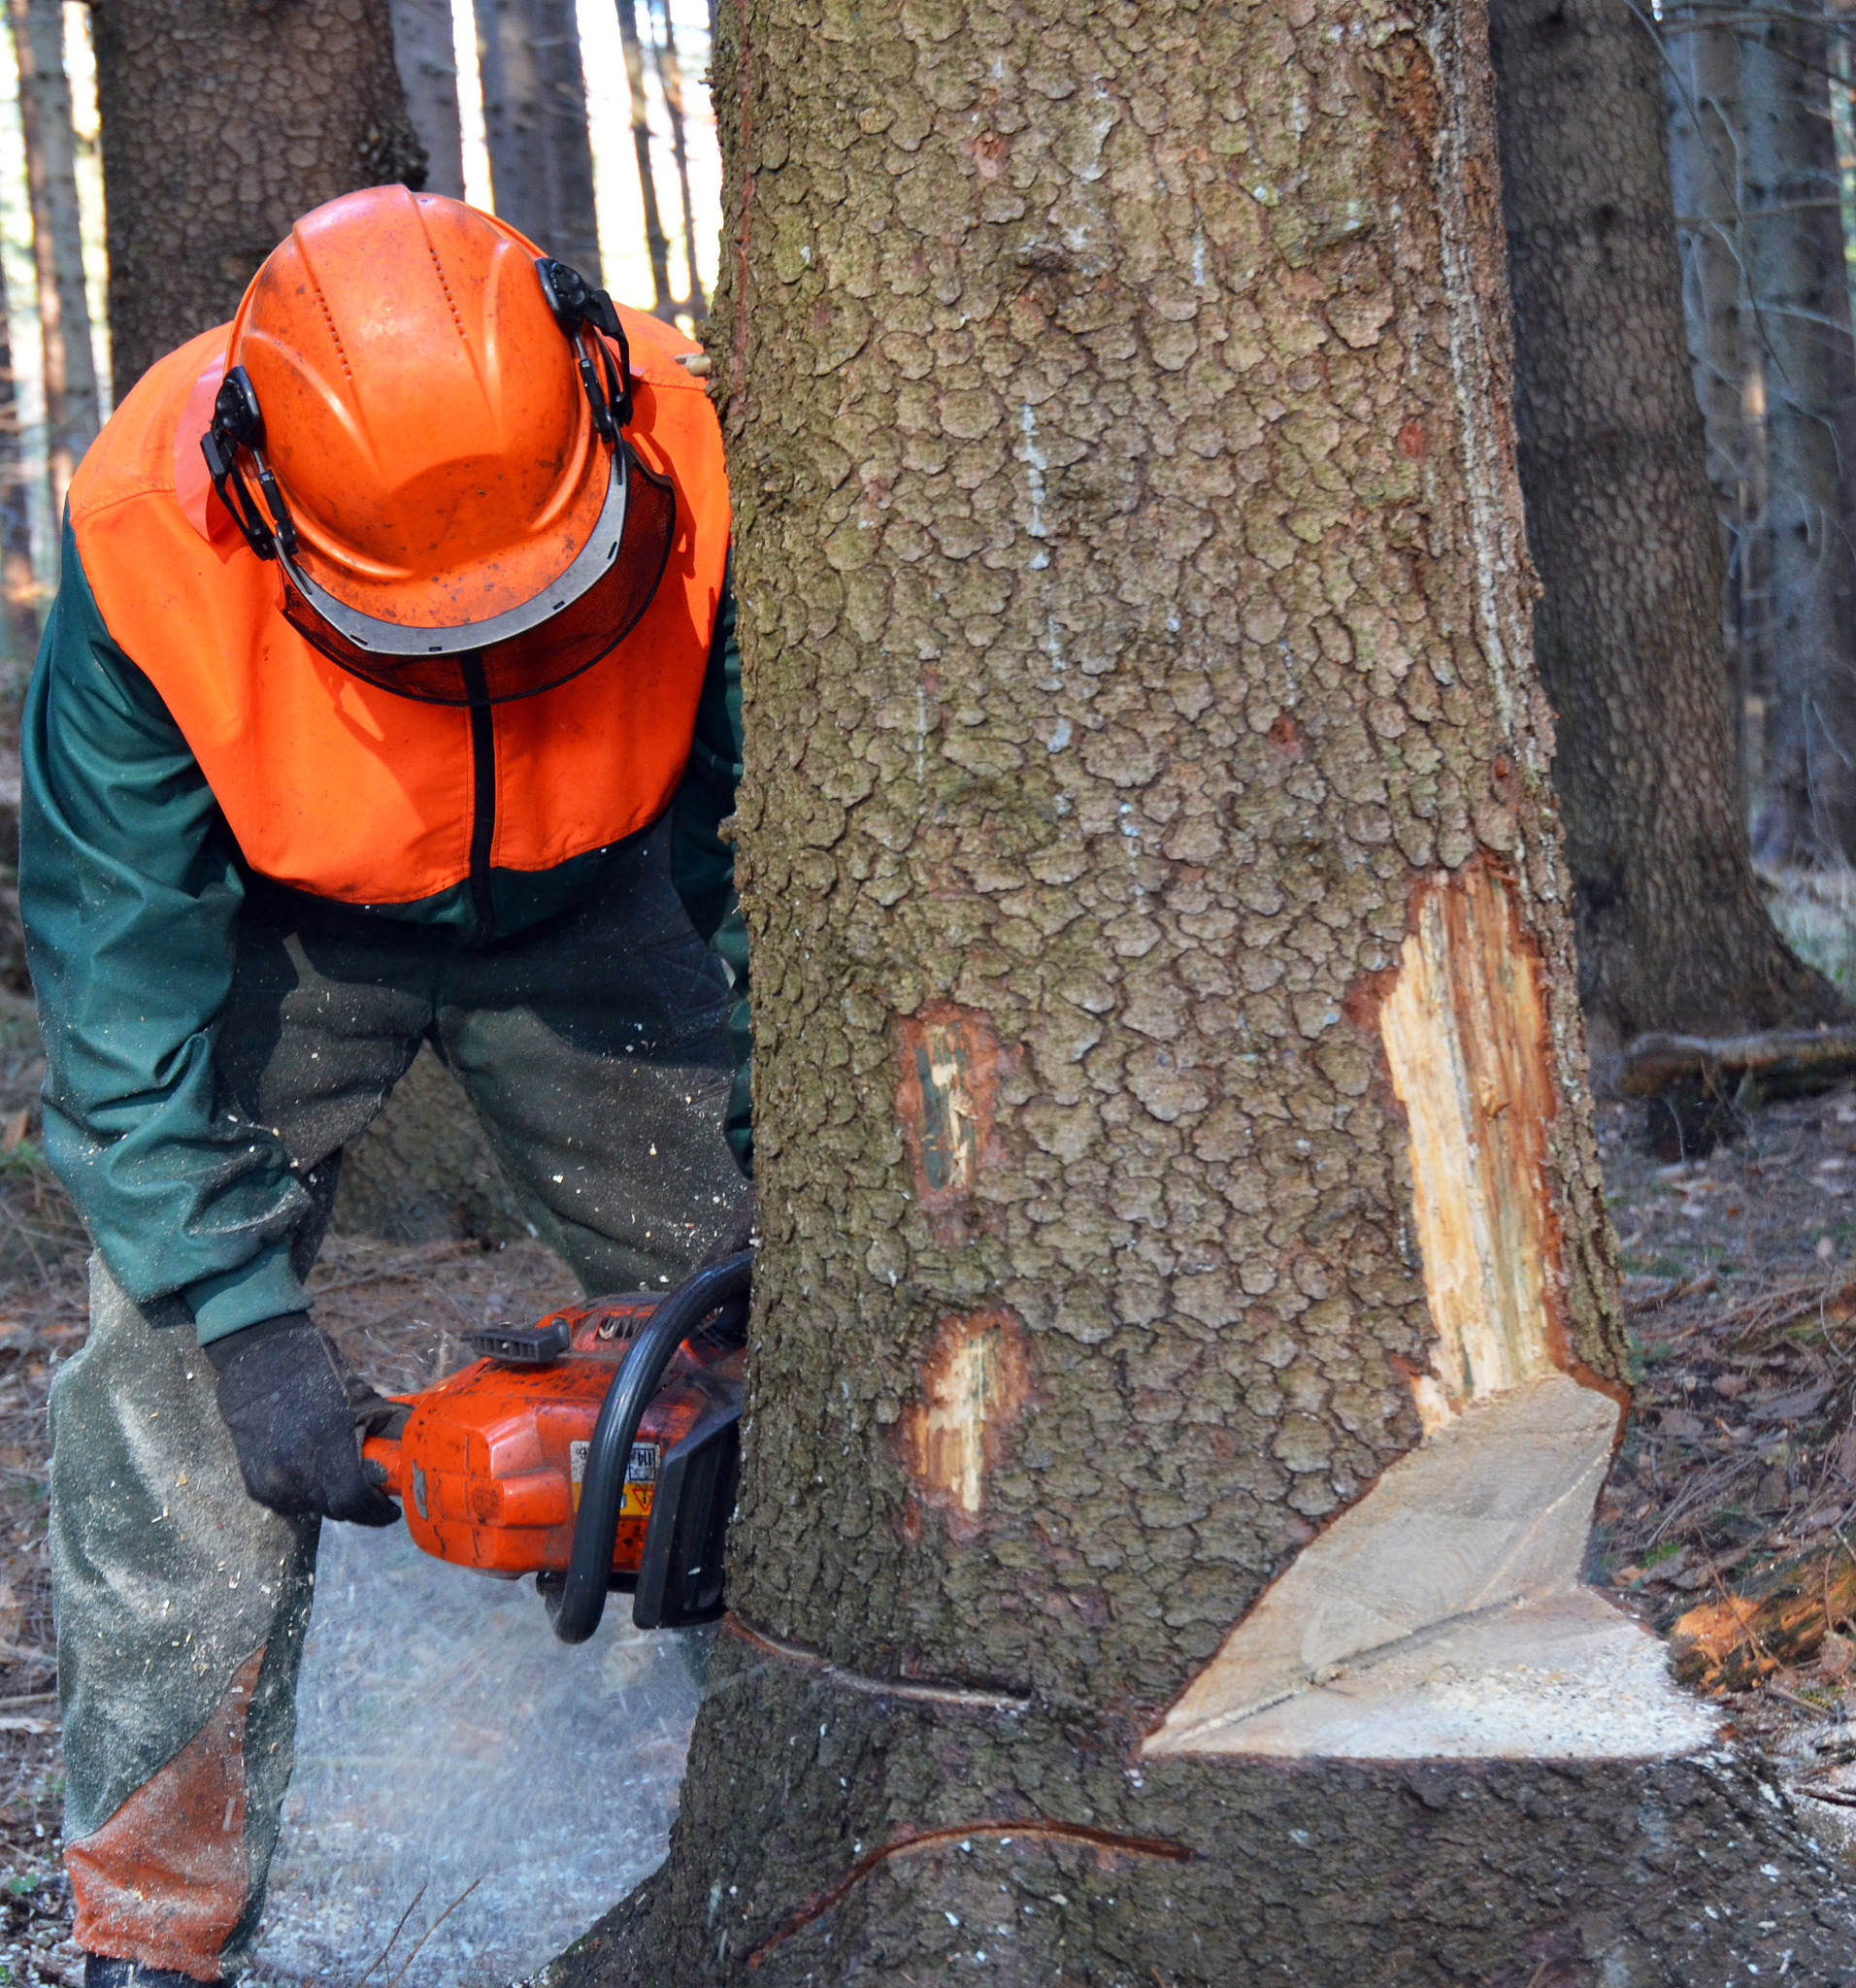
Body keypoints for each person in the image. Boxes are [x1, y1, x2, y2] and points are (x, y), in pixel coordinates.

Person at [17, 184, 752, 1987]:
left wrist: (780, 1113)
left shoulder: (700, 440)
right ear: (264, 503)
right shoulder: (148, 537)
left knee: (771, 1313)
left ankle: (797, 1778)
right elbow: (117, 959)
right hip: (292, 928)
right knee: (166, 1394)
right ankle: (153, 1924)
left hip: (604, 897)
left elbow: (773, 835)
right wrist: (240, 1315)